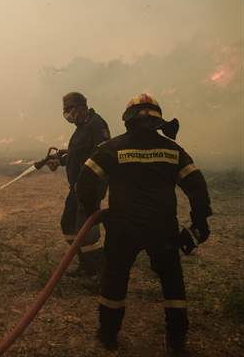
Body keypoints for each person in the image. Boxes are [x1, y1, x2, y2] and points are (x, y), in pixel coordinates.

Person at [75, 93, 212, 355]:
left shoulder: (113, 148)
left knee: (115, 278)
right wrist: (199, 220)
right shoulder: (173, 151)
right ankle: (176, 338)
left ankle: (108, 335)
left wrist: (94, 209)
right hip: (163, 229)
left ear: (128, 120)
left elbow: (85, 183)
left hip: (122, 228)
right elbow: (196, 187)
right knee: (172, 280)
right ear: (159, 120)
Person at [36, 91, 111, 277]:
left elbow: (101, 157)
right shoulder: (81, 127)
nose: (67, 115)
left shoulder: (96, 125)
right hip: (77, 186)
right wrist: (60, 161)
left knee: (87, 231)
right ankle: (85, 265)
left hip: (90, 187)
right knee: (68, 224)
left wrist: (93, 187)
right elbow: (78, 155)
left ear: (79, 108)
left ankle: (98, 274)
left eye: (68, 110)